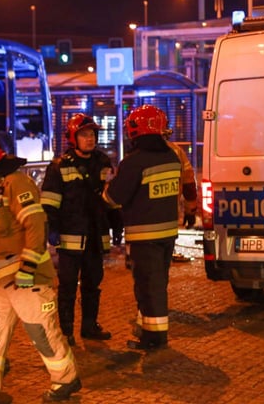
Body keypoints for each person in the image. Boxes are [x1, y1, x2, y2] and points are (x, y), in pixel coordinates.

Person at [0, 132, 80, 403]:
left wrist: (29, 267)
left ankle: (66, 380)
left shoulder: (15, 183)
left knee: (41, 332)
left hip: (26, 278)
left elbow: (35, 224)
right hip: (2, 281)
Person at [102, 105, 181, 351]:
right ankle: (154, 334)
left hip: (145, 236)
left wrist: (104, 189)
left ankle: (154, 339)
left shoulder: (134, 162)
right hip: (168, 233)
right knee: (158, 285)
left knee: (148, 288)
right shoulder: (171, 156)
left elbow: (114, 198)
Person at [41, 114, 122, 346]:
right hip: (70, 237)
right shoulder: (59, 167)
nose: (90, 139)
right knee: (66, 286)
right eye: (84, 134)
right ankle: (66, 332)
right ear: (73, 138)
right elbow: (49, 202)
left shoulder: (104, 163)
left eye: (92, 134)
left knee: (92, 284)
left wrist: (117, 224)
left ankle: (89, 326)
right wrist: (52, 228)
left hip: (96, 235)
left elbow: (111, 200)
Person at [157, 109, 198, 230]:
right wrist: (190, 212)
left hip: (139, 225)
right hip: (169, 219)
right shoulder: (176, 151)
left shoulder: (133, 157)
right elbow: (189, 185)